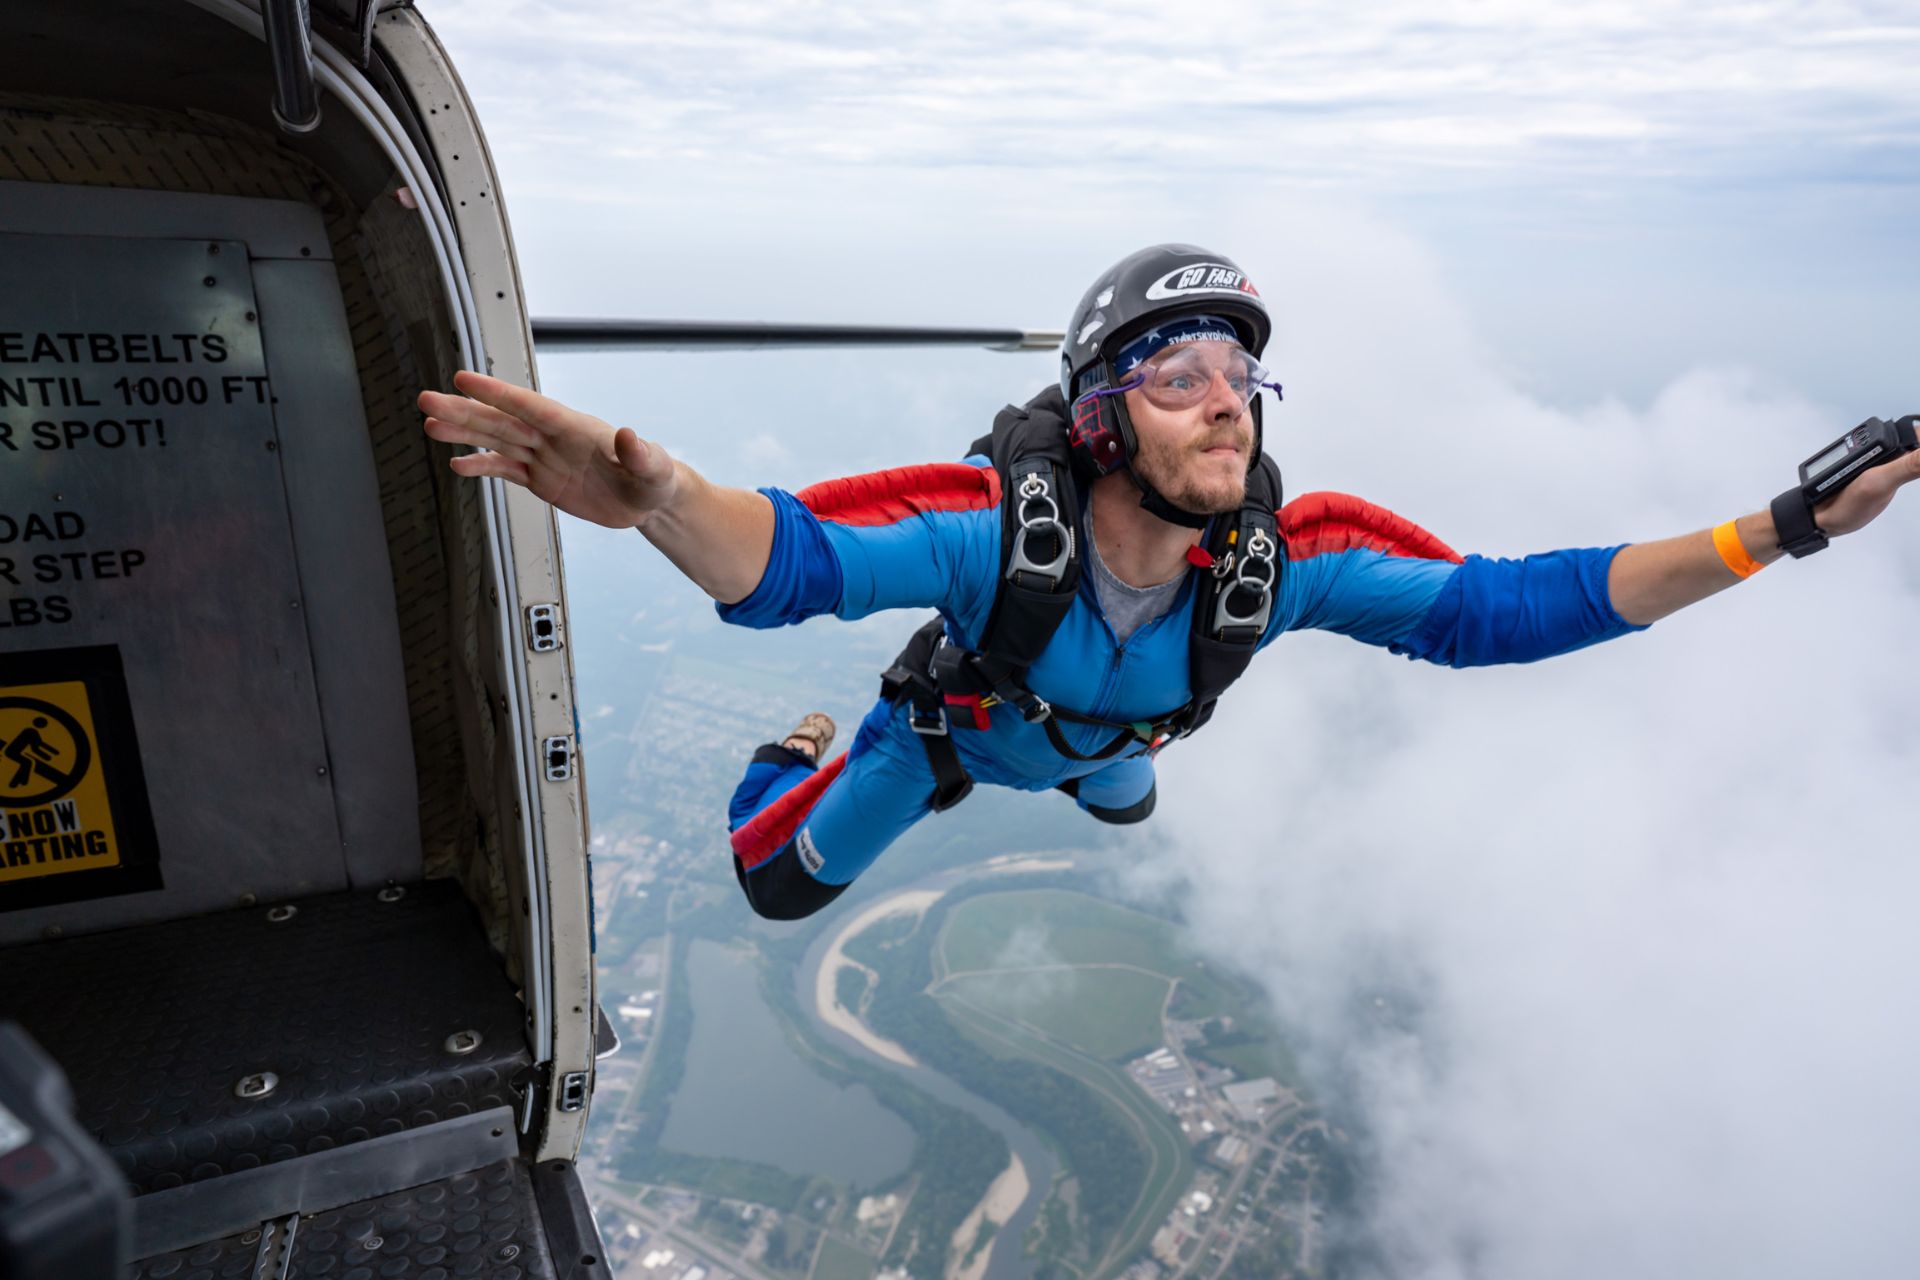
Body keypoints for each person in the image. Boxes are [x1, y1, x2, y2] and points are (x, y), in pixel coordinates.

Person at [417, 244, 1918, 921]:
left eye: (1244, 373)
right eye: (1178, 370)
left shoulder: (1293, 553)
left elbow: (1512, 606)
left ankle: (1098, 773)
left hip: (1115, 743)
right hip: (958, 733)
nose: (1226, 400)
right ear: (1096, 416)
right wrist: (666, 497)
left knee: (1123, 804)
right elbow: (793, 559)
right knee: (774, 891)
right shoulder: (995, 530)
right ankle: (784, 759)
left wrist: (1786, 525)